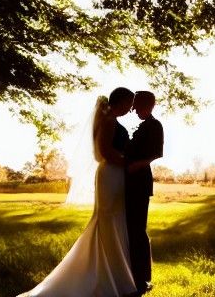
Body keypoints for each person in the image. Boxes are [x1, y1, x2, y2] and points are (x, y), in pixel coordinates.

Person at [18, 87, 138, 297]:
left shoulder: (111, 119)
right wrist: (128, 162)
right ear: (122, 101)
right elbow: (105, 152)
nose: (131, 108)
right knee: (106, 221)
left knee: (114, 222)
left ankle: (115, 274)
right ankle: (107, 277)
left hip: (116, 174)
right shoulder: (109, 120)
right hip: (111, 173)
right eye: (130, 103)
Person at [125, 91, 164, 295]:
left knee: (138, 230)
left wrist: (138, 164)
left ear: (148, 106)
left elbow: (156, 153)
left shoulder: (155, 125)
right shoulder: (142, 126)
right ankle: (131, 274)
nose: (134, 110)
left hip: (140, 180)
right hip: (131, 180)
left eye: (136, 106)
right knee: (130, 229)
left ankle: (142, 279)